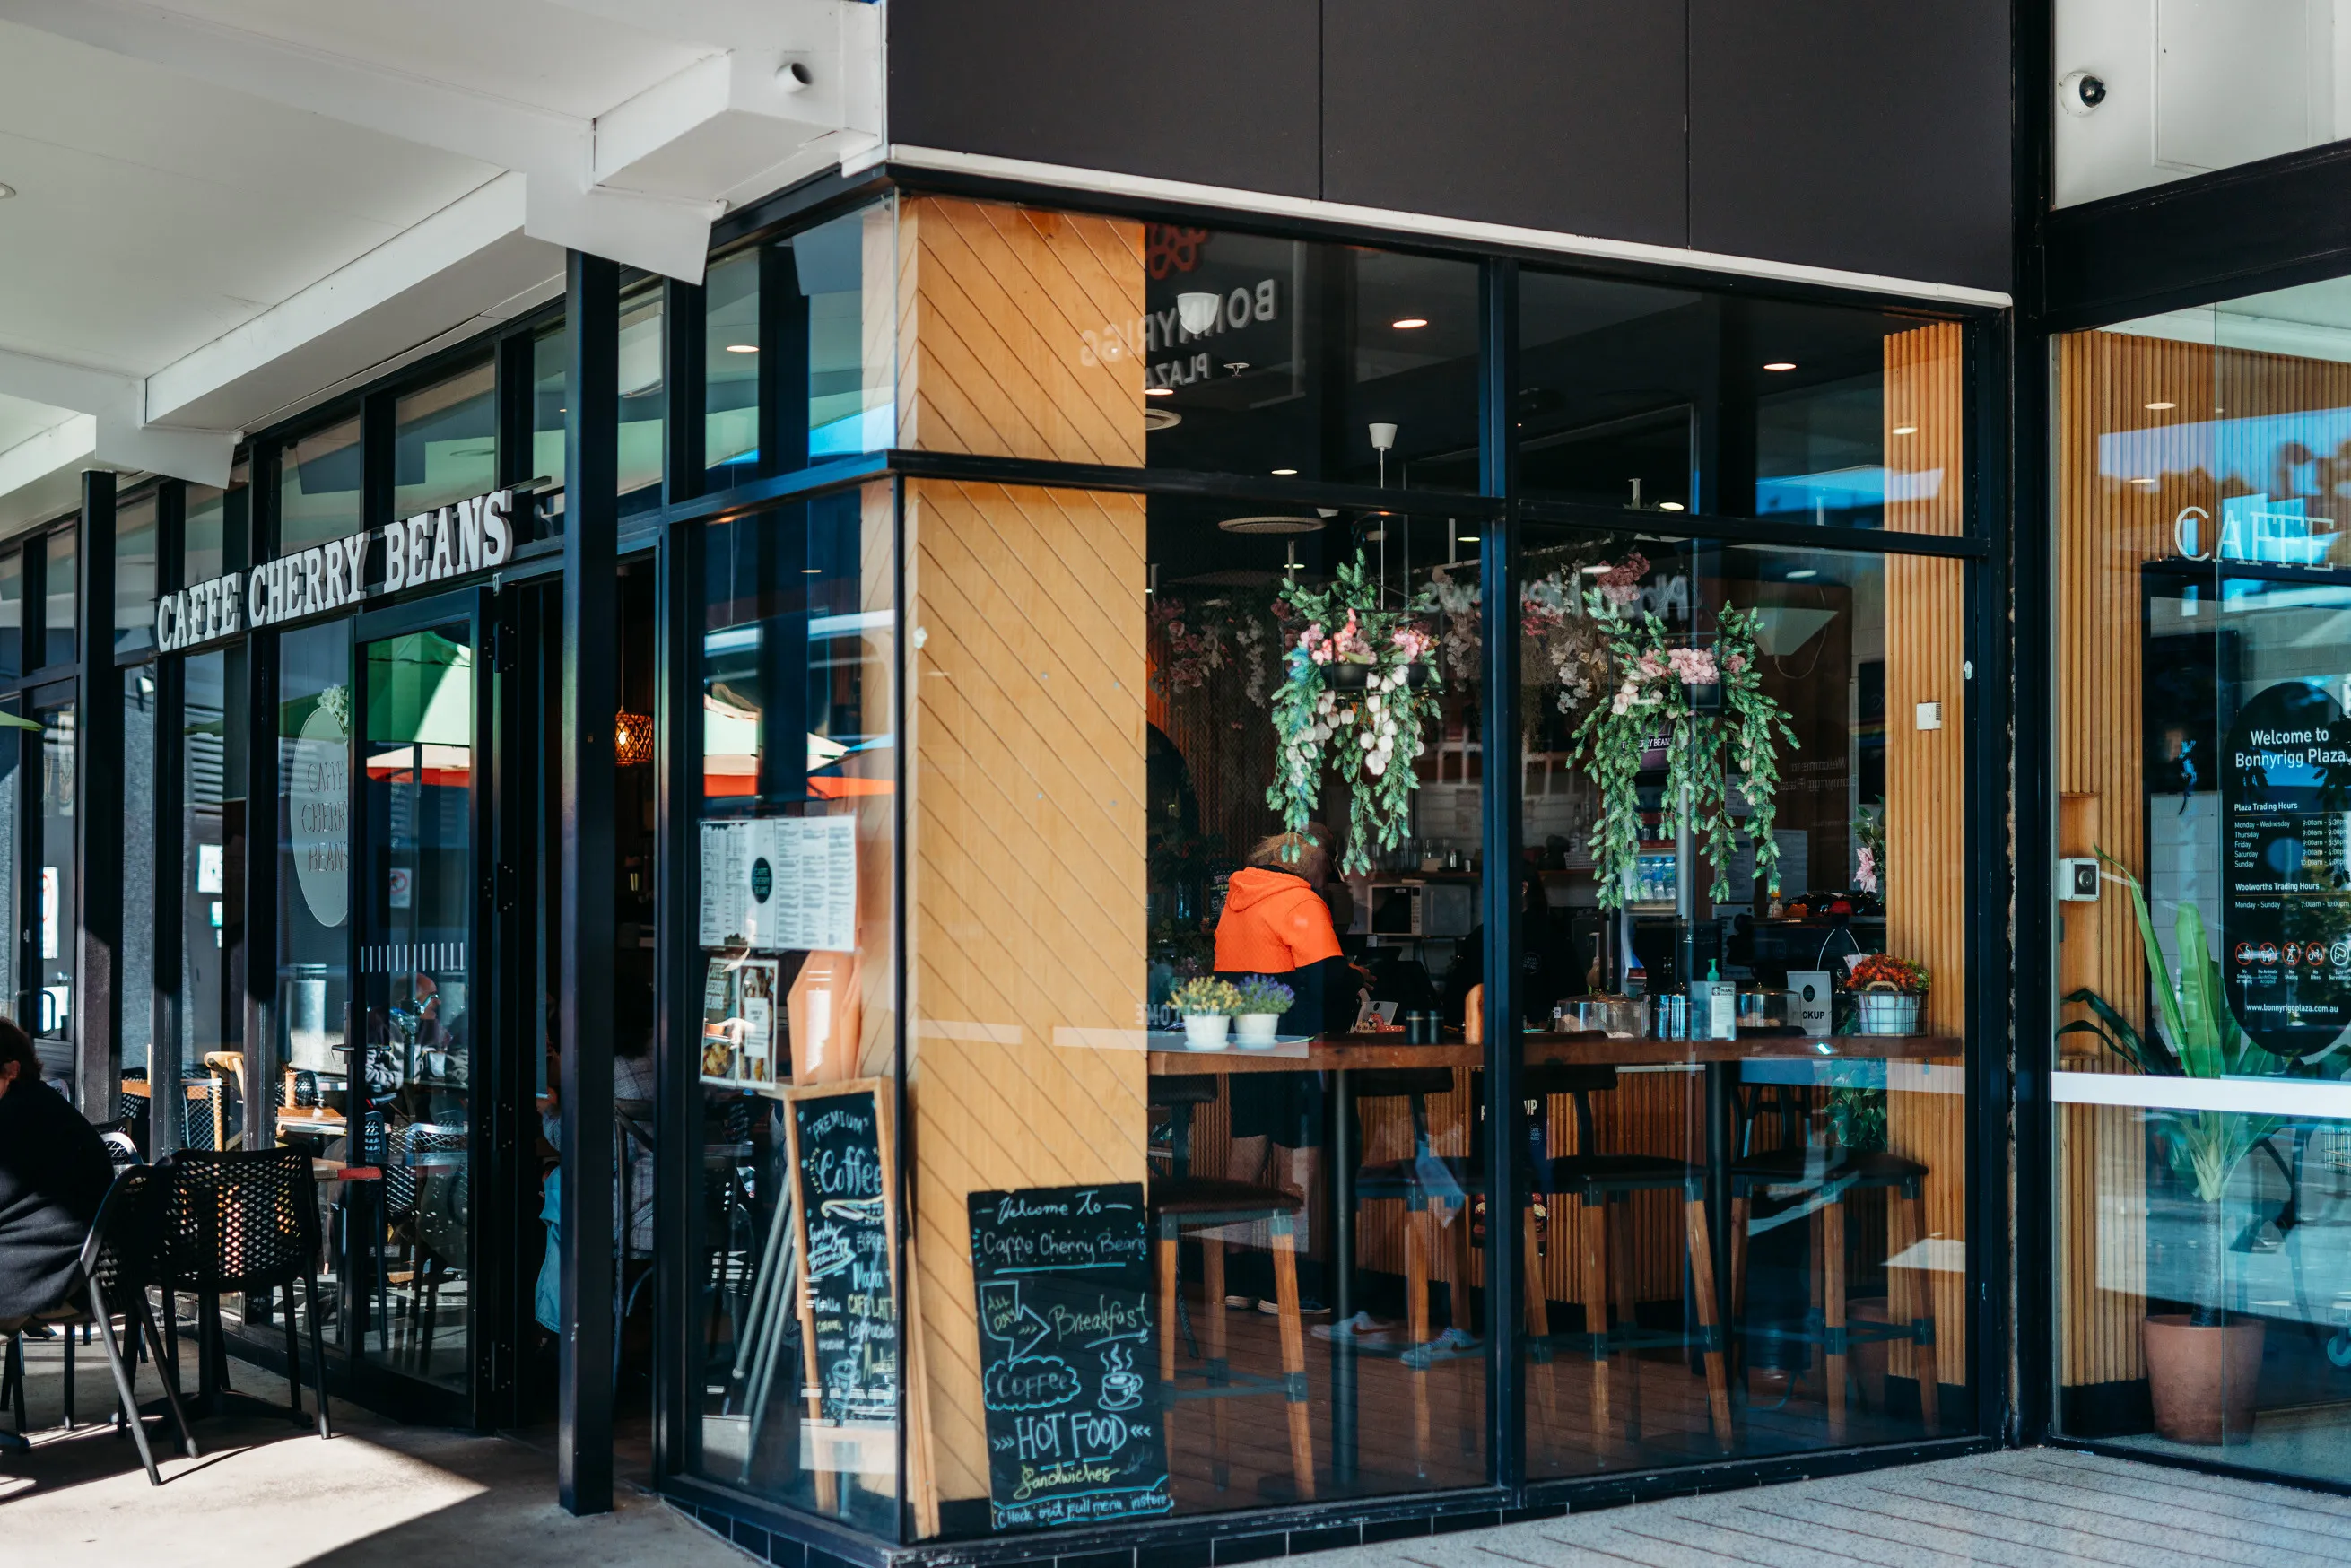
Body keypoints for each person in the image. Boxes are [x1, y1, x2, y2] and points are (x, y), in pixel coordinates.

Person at [1210, 832, 1363, 1315]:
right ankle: (1287, 1285)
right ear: (1312, 865)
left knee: (1247, 1148)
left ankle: (1240, 1281)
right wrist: (1356, 978)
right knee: (1297, 1157)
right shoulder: (1300, 901)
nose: (1328, 879)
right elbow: (1328, 978)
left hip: (1247, 1039)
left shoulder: (1237, 900)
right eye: (1328, 868)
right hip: (1297, 1042)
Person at [0, 1016, 114, 1340]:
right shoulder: (43, 1107)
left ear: (11, 1070)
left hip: (55, 1275)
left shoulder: (17, 1118)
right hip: (89, 1268)